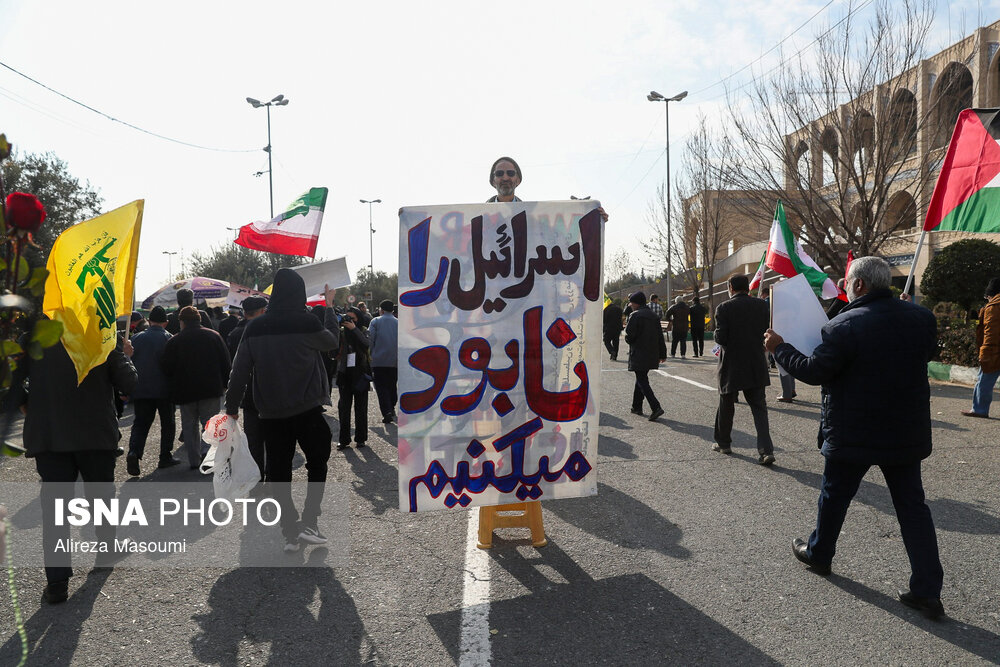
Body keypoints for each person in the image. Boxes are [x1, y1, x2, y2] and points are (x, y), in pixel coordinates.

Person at [766, 257, 944, 619]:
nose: (845, 287)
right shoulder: (921, 318)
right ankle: (927, 590)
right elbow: (925, 355)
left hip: (853, 430)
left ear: (859, 285)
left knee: (834, 496)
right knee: (913, 509)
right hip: (904, 431)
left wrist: (779, 348)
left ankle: (819, 554)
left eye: (847, 282)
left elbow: (814, 372)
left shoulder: (842, 326)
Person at [9, 334, 137, 603]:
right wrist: (123, 353)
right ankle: (105, 551)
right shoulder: (101, 334)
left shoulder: (31, 339)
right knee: (101, 497)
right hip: (95, 435)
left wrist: (35, 412)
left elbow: (14, 390)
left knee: (55, 510)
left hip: (50, 437)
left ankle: (57, 582)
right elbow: (130, 383)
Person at [226, 270, 340, 552]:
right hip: (308, 409)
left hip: (271, 413)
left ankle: (290, 529)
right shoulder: (306, 322)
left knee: (278, 472)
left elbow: (239, 371)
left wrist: (232, 408)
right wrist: (328, 306)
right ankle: (310, 522)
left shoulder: (254, 328)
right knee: (317, 463)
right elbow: (332, 343)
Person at [713, 274, 775, 466]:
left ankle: (724, 443)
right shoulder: (761, 305)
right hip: (755, 361)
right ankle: (766, 451)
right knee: (759, 408)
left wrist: (716, 333)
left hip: (732, 363)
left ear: (730, 287)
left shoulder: (723, 308)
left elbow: (721, 338)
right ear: (747, 287)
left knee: (727, 403)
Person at [161, 306, 231, 469]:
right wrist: (226, 384)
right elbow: (225, 362)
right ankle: (209, 454)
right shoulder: (214, 336)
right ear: (199, 319)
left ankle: (194, 460)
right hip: (211, 389)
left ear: (182, 322)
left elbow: (166, 367)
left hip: (185, 391)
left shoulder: (175, 341)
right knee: (210, 423)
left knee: (189, 426)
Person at [126, 306, 180, 475]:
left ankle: (134, 452)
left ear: (149, 321)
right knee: (168, 423)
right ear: (166, 322)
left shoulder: (136, 338)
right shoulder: (169, 339)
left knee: (141, 423)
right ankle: (165, 456)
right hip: (165, 390)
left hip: (141, 388)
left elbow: (128, 361)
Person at [227, 296, 269, 477]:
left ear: (244, 312)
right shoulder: (268, 331)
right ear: (262, 311)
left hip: (248, 396)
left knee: (254, 442)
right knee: (274, 442)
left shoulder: (234, 333)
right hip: (270, 394)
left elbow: (235, 371)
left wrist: (232, 406)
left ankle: (257, 481)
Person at [624, 291, 667, 421]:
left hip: (639, 353)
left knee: (642, 380)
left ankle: (655, 407)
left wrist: (627, 338)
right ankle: (636, 406)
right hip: (652, 353)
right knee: (641, 377)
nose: (630, 305)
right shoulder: (653, 316)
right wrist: (662, 353)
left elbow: (630, 336)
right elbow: (660, 337)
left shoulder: (635, 315)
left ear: (636, 303)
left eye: (631, 302)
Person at [961, 277, 1000, 418]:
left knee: (983, 381)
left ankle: (979, 409)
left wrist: (985, 351)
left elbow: (991, 332)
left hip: (994, 351)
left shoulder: (994, 306)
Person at [336, 308, 372, 448]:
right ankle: (344, 440)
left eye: (353, 318)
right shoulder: (342, 332)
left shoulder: (363, 329)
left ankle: (360, 438)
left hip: (360, 373)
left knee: (361, 407)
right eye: (347, 318)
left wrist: (354, 329)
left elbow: (367, 344)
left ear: (358, 319)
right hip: (344, 374)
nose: (349, 321)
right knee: (344, 408)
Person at [368, 299, 398, 424]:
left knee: (381, 387)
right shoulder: (399, 323)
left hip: (378, 361)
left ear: (381, 309)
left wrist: (369, 356)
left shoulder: (375, 321)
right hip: (395, 361)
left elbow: (370, 340)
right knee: (392, 385)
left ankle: (386, 411)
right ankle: (391, 406)